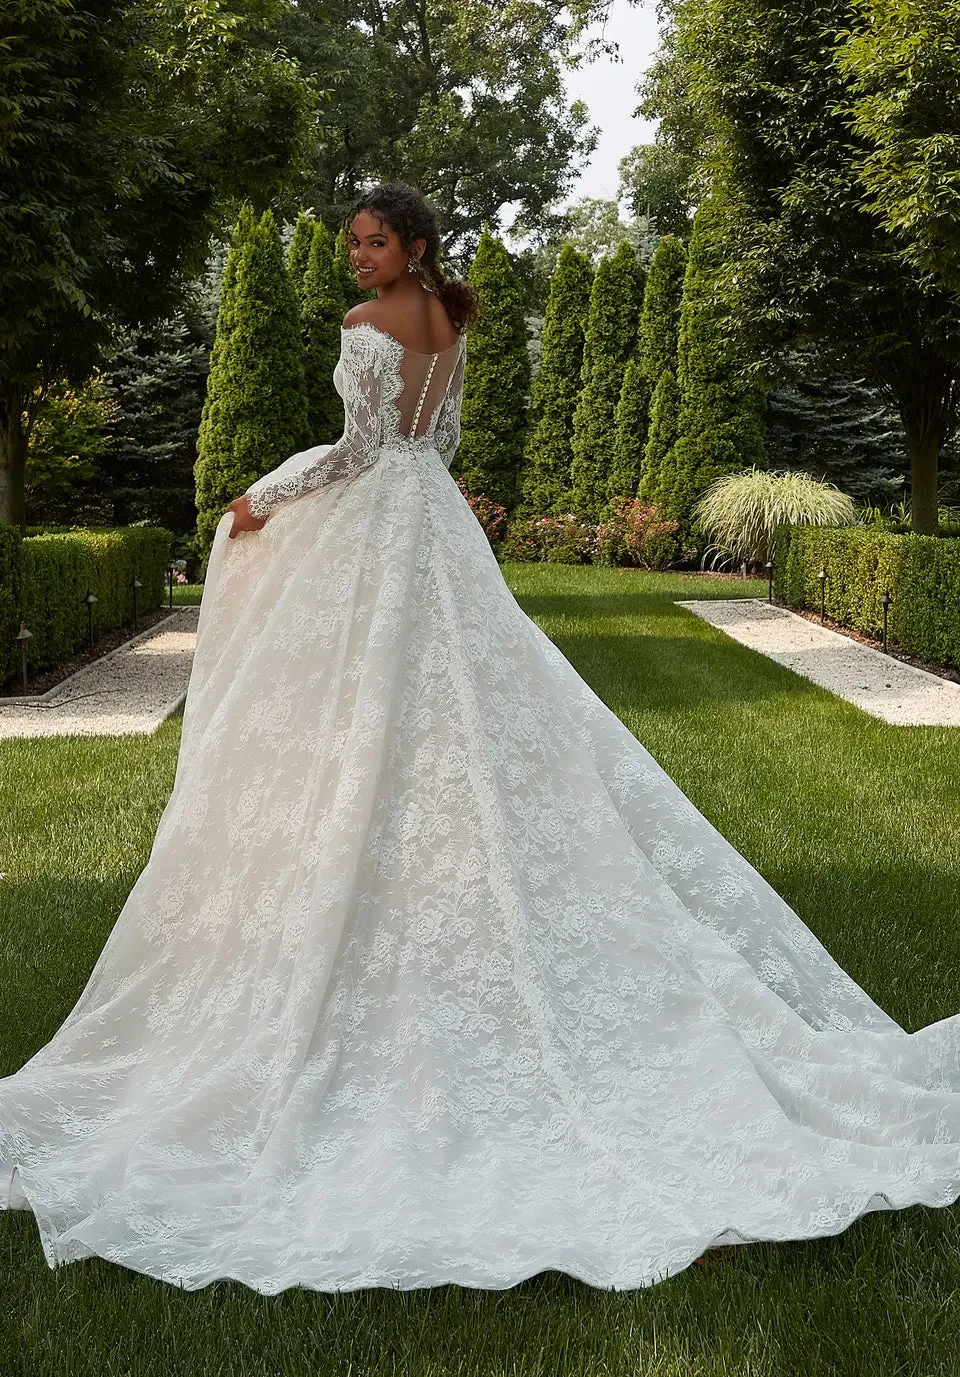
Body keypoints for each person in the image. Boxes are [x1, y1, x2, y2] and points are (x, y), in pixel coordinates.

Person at [2, 181, 959, 1297]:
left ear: (412, 247)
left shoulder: (369, 328)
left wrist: (262, 501)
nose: (355, 261)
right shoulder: (451, 324)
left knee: (360, 708)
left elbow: (359, 454)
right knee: (455, 713)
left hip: (376, 527)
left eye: (371, 243)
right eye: (350, 244)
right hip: (430, 532)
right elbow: (434, 447)